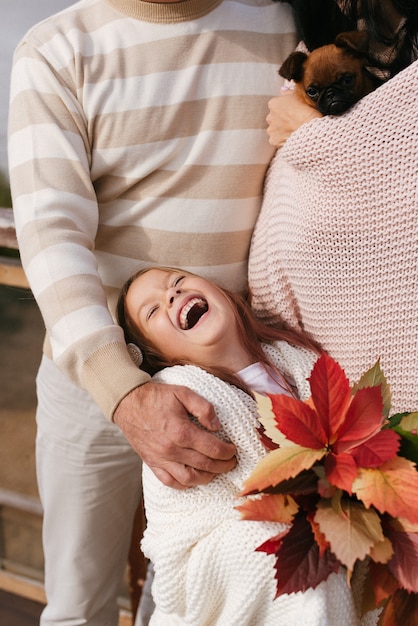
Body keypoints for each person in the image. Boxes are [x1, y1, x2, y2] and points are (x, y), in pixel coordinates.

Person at [8, 0, 299, 622]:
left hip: (232, 382)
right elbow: (50, 232)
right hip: (94, 385)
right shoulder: (56, 48)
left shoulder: (280, 24)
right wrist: (123, 392)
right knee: (77, 605)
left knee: (198, 601)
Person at [116, 265, 377, 626]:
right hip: (214, 547)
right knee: (297, 565)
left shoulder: (293, 359)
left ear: (221, 291)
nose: (171, 295)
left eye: (177, 281)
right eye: (153, 310)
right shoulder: (183, 400)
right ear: (159, 355)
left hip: (315, 514)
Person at [249, 0, 418, 415]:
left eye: (343, 83)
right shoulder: (310, 15)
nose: (330, 97)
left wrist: (311, 130)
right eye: (316, 93)